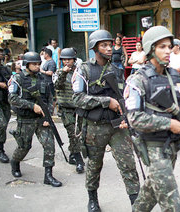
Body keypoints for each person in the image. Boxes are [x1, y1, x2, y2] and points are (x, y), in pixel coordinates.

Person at [125, 25, 180, 212]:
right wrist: (169, 124)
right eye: (162, 47)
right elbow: (134, 119)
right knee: (170, 200)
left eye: (169, 46)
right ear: (150, 49)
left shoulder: (175, 76)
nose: (168, 51)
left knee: (151, 191)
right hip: (153, 146)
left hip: (171, 146)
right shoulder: (138, 80)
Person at [72, 30, 140, 212]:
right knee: (94, 165)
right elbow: (77, 98)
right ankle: (92, 199)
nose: (109, 48)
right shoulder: (83, 70)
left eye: (110, 45)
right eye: (104, 45)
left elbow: (123, 96)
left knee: (128, 165)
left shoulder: (116, 70)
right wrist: (105, 102)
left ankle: (136, 204)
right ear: (94, 48)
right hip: (94, 127)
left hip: (118, 126)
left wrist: (127, 116)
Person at [8, 52, 62, 187]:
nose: (38, 66)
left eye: (39, 64)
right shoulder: (17, 79)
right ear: (27, 64)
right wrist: (32, 106)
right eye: (34, 64)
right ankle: (15, 163)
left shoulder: (43, 78)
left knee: (49, 145)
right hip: (25, 119)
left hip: (41, 119)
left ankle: (48, 176)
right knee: (24, 147)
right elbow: (12, 99)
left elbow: (50, 98)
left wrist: (47, 116)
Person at [53, 48, 85, 174]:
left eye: (69, 60)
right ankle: (79, 161)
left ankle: (73, 153)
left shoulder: (79, 72)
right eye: (65, 60)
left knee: (80, 135)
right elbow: (57, 85)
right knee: (74, 134)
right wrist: (63, 73)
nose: (67, 62)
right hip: (66, 109)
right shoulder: (58, 73)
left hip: (79, 108)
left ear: (74, 60)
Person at [0, 45, 12, 163]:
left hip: (5, 101)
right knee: (1, 124)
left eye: (2, 51)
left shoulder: (5, 69)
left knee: (4, 124)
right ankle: (0, 150)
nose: (2, 53)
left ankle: (0, 146)